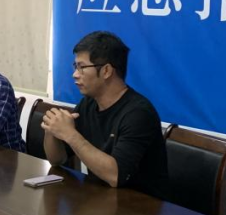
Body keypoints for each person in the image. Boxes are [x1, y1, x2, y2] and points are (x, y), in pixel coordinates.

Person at [41, 31, 169, 199]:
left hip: (141, 206)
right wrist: (52, 130)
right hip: (102, 198)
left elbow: (115, 175)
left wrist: (70, 134)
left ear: (107, 71)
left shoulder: (139, 113)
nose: (75, 74)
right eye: (75, 67)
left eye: (82, 67)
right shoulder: (88, 104)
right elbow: (57, 160)